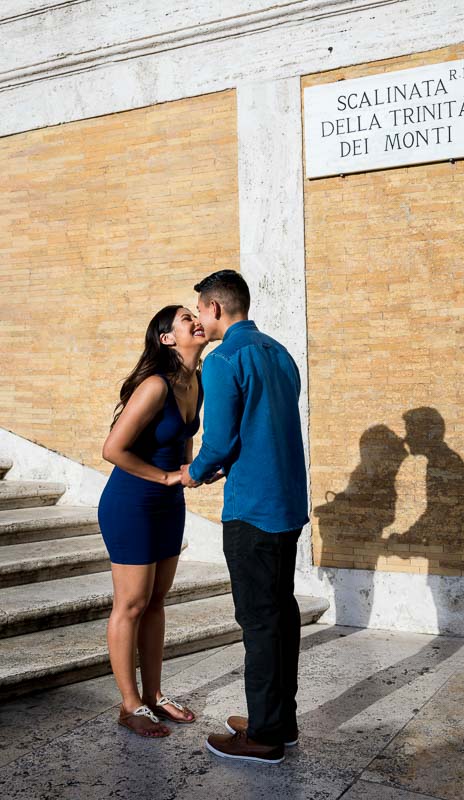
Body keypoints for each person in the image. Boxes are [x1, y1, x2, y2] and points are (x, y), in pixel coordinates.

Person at [180, 270, 309, 764]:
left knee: (258, 621)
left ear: (215, 308)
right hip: (286, 504)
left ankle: (263, 737)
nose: (199, 319)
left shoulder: (223, 359)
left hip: (252, 510)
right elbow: (263, 426)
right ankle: (279, 721)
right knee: (281, 614)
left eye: (200, 309)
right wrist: (223, 463)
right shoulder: (279, 353)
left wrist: (195, 473)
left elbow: (221, 440)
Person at [98, 304, 207, 738]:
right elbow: (113, 449)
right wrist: (165, 476)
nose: (195, 320)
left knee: (157, 602)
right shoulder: (155, 386)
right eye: (185, 318)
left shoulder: (195, 380)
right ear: (166, 338)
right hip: (132, 502)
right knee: (131, 604)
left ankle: (154, 696)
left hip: (168, 504)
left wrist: (190, 470)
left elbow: (183, 440)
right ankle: (130, 705)